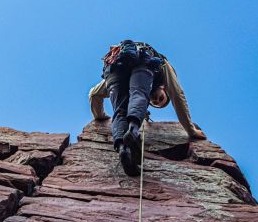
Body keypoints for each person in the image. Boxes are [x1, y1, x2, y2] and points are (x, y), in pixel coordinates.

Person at [89, 40, 207, 176]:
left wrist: (99, 116)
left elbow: (94, 94)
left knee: (120, 111)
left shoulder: (121, 61)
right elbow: (177, 95)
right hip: (142, 63)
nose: (156, 99)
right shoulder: (163, 69)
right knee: (139, 94)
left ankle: (123, 148)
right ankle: (133, 131)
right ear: (164, 89)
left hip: (115, 67)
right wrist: (191, 130)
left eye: (155, 102)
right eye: (161, 98)